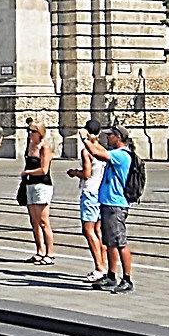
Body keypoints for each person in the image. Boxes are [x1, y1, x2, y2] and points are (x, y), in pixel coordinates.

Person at [93, 126, 136, 292]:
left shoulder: (121, 155)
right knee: (110, 242)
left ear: (118, 137)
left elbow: (98, 153)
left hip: (116, 204)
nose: (108, 138)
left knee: (120, 242)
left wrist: (85, 139)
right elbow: (100, 150)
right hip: (108, 203)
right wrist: (92, 140)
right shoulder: (115, 153)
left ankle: (127, 279)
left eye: (110, 135)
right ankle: (111, 276)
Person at [66, 118, 109, 286]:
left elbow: (86, 173)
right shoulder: (101, 148)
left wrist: (74, 172)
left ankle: (99, 268)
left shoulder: (87, 151)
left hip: (90, 192)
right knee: (99, 231)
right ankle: (103, 264)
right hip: (100, 192)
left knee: (88, 230)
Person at [19, 116, 55, 263]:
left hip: (42, 185)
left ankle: (50, 253)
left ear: (39, 132)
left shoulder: (44, 148)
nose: (29, 133)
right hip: (30, 185)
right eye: (28, 130)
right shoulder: (29, 146)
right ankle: (39, 250)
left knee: (43, 221)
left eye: (32, 131)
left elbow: (44, 170)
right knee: (34, 221)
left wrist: (27, 172)